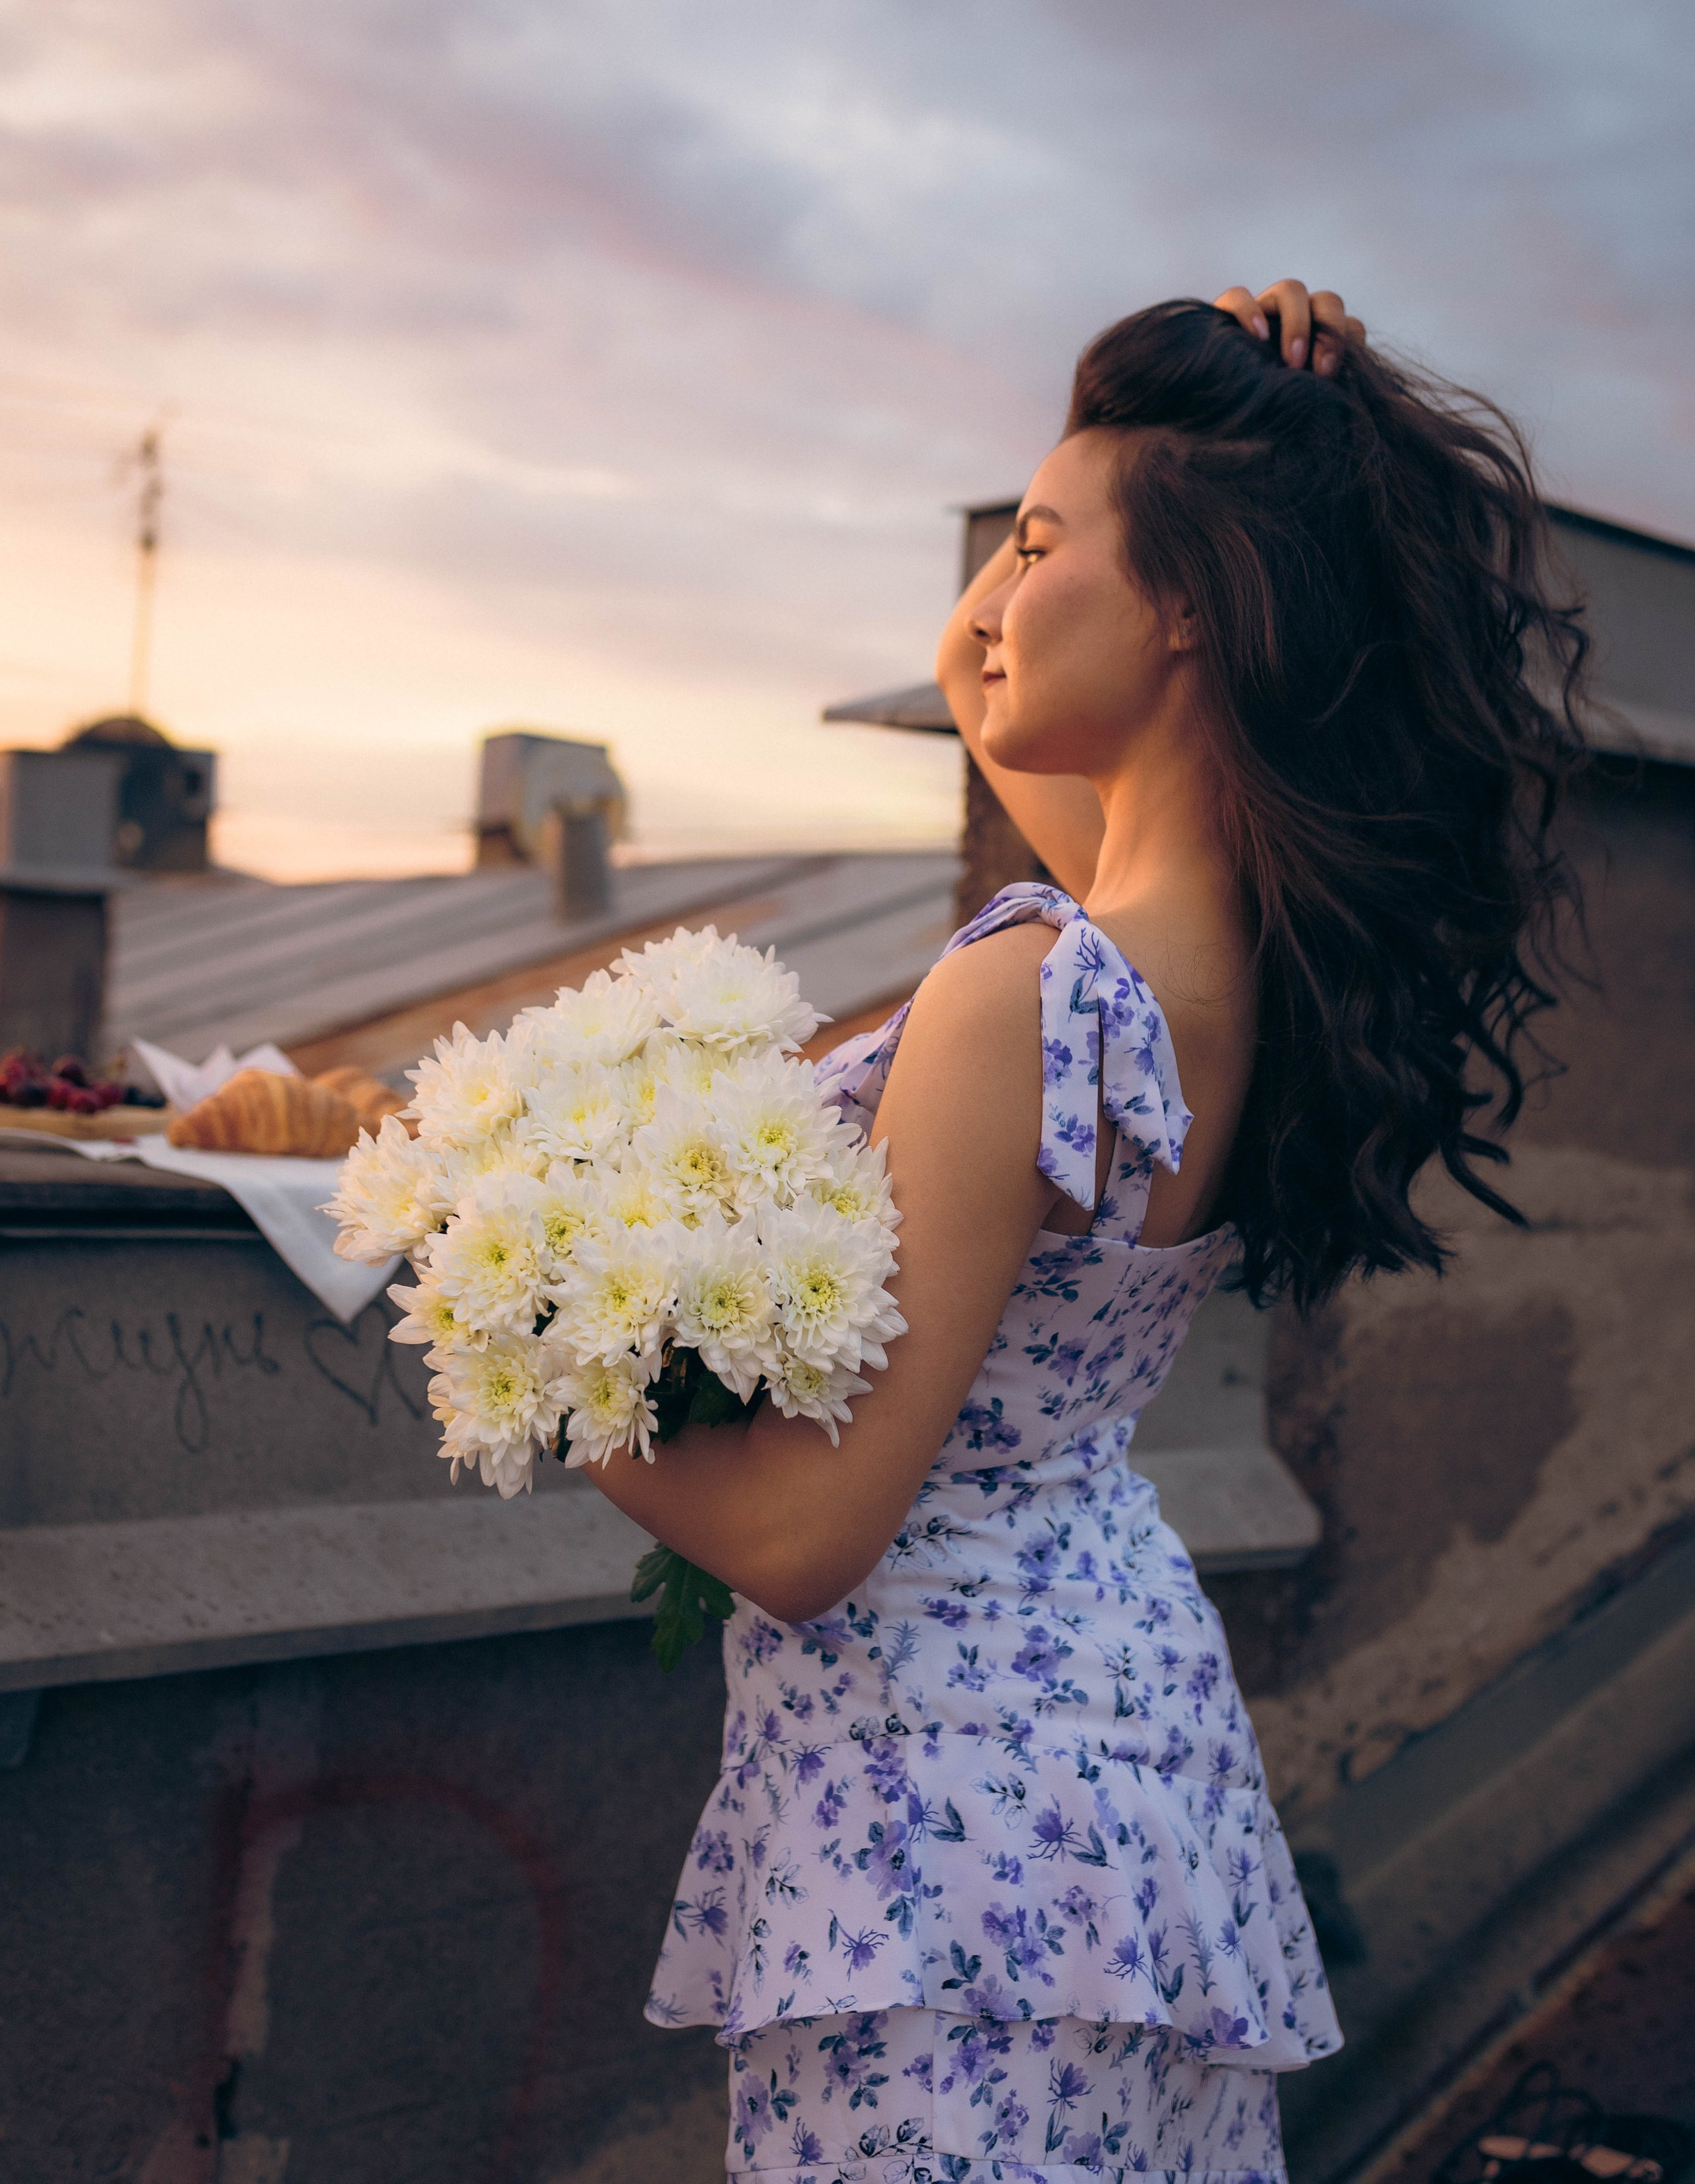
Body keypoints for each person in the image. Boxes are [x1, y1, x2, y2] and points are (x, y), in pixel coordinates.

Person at [585, 277, 1588, 2182]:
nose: (999, 597)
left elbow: (800, 1536)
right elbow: (985, 677)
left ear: (1190, 601)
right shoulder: (1233, 958)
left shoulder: (1032, 989)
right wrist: (1156, 434)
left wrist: (518, 1329)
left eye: (1041, 546)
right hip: (1114, 1759)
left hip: (940, 1821)